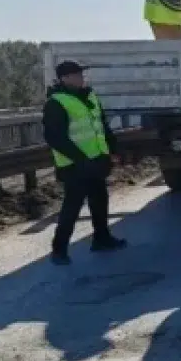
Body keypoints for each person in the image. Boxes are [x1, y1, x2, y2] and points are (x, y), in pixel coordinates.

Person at [42, 60, 127, 265]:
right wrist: (80, 159)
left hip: (96, 159)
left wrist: (112, 149)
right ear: (64, 78)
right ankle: (59, 250)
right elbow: (54, 137)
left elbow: (102, 126)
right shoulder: (56, 102)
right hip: (75, 165)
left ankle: (102, 238)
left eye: (81, 74)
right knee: (72, 206)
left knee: (100, 200)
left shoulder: (89, 96)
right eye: (77, 74)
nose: (81, 77)